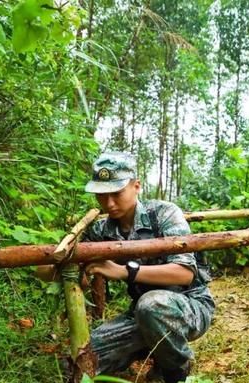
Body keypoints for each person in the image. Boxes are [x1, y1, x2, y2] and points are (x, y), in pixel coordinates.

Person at [38, 152, 214, 382]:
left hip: (188, 305)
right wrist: (62, 268)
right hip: (140, 316)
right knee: (75, 367)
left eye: (116, 193)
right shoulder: (101, 230)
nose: (109, 203)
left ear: (136, 186)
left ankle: (175, 368)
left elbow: (184, 274)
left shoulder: (164, 214)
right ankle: (148, 347)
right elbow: (54, 271)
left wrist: (124, 271)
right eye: (102, 196)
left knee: (151, 306)